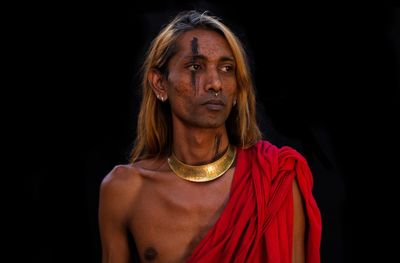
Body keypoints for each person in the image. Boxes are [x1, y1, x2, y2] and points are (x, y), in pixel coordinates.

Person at [99, 10, 322, 263]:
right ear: (160, 83)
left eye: (227, 68)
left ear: (237, 87)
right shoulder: (125, 190)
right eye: (196, 66)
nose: (215, 83)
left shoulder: (275, 179)